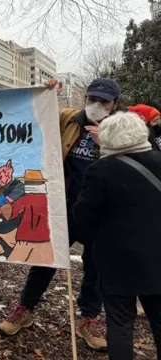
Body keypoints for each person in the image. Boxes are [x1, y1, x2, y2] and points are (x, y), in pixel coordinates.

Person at [0, 78, 127, 351]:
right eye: (92, 99)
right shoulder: (69, 119)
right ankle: (25, 308)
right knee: (45, 259)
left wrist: (107, 143)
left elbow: (134, 161)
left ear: (115, 103)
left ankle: (88, 319)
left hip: (101, 213)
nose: (96, 106)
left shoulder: (124, 128)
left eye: (103, 102)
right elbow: (31, 119)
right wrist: (42, 94)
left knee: (96, 267)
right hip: (64, 207)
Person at [73, 111, 161, 359]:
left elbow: (83, 218)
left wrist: (94, 239)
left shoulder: (99, 170)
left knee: (120, 323)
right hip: (158, 258)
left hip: (116, 261)